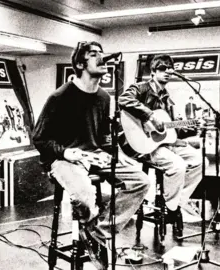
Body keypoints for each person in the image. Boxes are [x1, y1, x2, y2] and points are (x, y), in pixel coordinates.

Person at [33, 41, 150, 269]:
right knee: (85, 195)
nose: (101, 58)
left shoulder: (104, 98)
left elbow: (104, 137)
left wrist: (116, 154)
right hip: (62, 158)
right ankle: (94, 231)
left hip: (94, 155)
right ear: (80, 63)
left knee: (141, 181)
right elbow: (39, 138)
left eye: (101, 53)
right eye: (94, 54)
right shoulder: (60, 97)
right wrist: (66, 152)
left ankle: (99, 231)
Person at [118, 54, 204, 240]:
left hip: (162, 143)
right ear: (154, 71)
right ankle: (171, 208)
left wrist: (187, 129)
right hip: (142, 145)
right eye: (163, 69)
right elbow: (124, 100)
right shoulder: (141, 88)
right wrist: (149, 115)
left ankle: (176, 204)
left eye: (169, 69)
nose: (167, 72)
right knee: (177, 166)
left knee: (200, 161)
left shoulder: (166, 98)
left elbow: (168, 130)